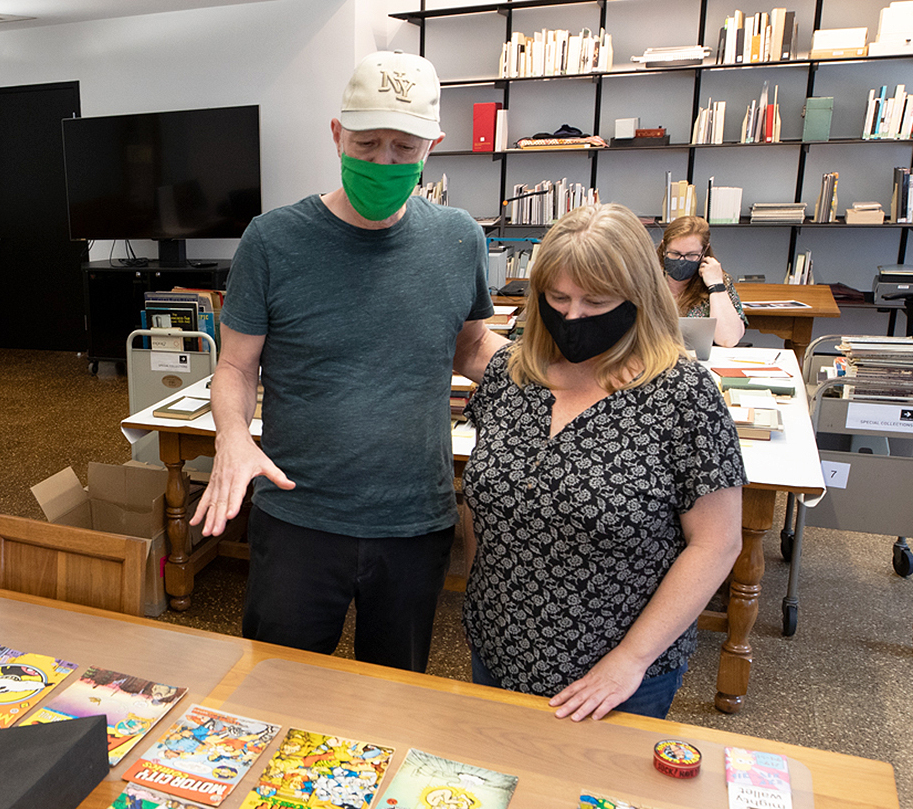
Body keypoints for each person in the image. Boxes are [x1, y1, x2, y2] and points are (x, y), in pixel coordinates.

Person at [192, 50, 503, 673]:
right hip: (299, 514)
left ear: (432, 147)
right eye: (367, 144)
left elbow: (470, 345)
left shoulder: (459, 236)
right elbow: (235, 366)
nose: (384, 161)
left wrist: (558, 377)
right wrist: (231, 435)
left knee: (394, 696)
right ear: (337, 135)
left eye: (402, 148)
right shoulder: (272, 239)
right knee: (277, 687)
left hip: (415, 520)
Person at [459, 204, 746, 721]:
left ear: (638, 295)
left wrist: (630, 661)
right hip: (498, 641)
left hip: (618, 670)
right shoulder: (511, 373)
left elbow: (717, 542)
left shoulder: (683, 395)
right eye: (558, 298)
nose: (573, 316)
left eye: (596, 300)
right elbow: (484, 496)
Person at [658, 215, 745, 346]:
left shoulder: (719, 280)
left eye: (691, 255)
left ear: (704, 251)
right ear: (664, 248)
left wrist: (716, 285)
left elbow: (729, 339)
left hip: (701, 361)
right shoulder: (647, 279)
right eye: (675, 253)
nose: (682, 260)